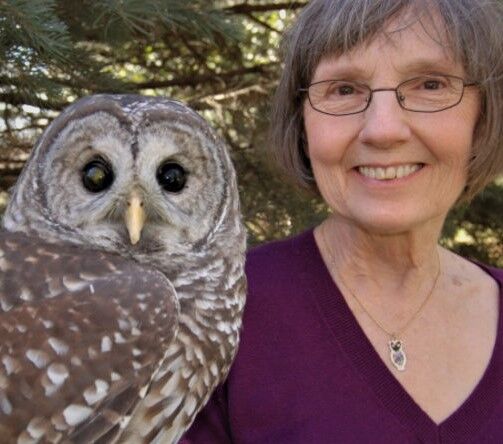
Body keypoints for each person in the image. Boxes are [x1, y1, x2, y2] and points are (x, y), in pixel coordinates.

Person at [182, 0, 503, 442]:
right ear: (302, 125)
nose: (383, 130)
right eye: (345, 89)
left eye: (430, 84)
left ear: (482, 117)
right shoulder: (215, 313)